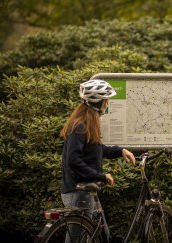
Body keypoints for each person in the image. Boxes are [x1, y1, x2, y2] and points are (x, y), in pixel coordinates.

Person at [60, 79, 136, 241]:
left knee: (101, 235)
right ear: (99, 102)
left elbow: (97, 149)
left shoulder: (86, 123)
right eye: (106, 100)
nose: (107, 104)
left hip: (83, 192)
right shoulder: (79, 126)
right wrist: (101, 176)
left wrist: (120, 151)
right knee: (75, 239)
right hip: (78, 192)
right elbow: (73, 160)